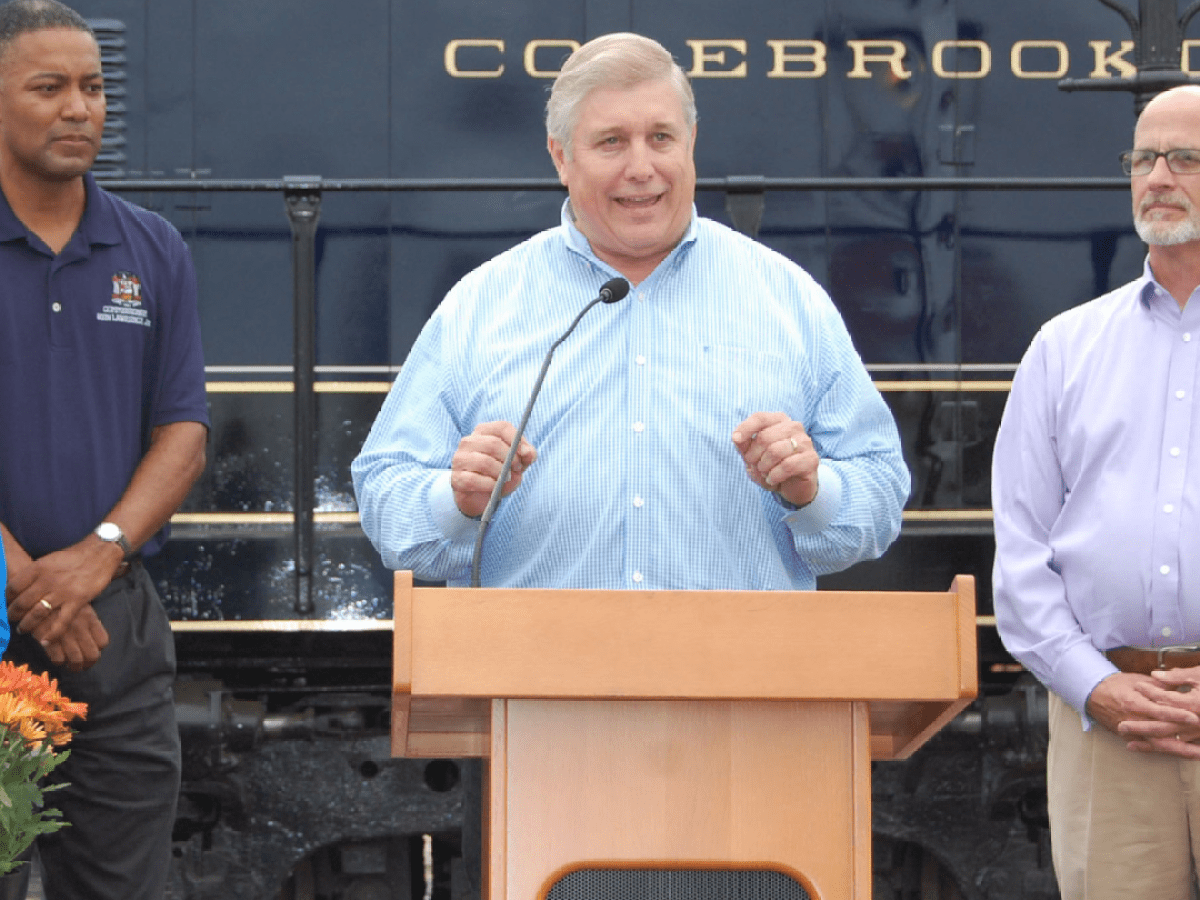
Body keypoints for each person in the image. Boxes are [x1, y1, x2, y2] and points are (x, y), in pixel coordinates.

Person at [353, 32, 908, 592]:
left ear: (691, 142)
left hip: (739, 673)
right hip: (534, 675)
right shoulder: (480, 305)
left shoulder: (787, 297)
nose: (641, 167)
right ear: (561, 156)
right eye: (612, 142)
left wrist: (812, 490)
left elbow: (882, 488)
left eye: (660, 137)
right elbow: (385, 497)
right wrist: (457, 501)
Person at [0, 2, 208, 898]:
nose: (79, 108)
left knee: (122, 884)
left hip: (111, 631)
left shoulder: (152, 247)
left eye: (92, 87)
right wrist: (23, 582)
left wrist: (95, 559)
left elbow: (185, 432)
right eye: (48, 87)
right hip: (11, 606)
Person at [992, 84, 1200, 899]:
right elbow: (1021, 556)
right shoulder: (1063, 349)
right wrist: (1097, 687)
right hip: (1108, 732)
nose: (1158, 176)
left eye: (1185, 158)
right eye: (1144, 157)